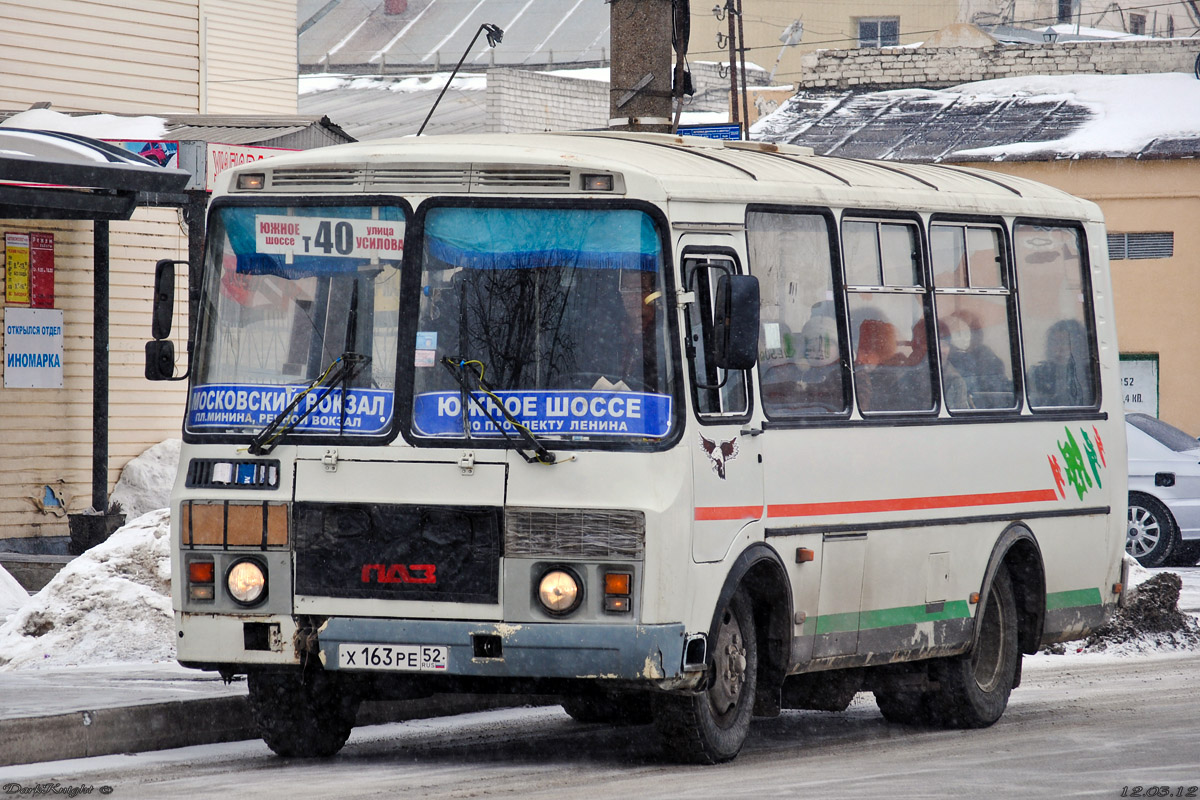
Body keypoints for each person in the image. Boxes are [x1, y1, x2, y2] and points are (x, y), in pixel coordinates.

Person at [1029, 319, 1091, 407]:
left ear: (1079, 345)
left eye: (1065, 343)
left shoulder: (1091, 373)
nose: (1059, 349)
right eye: (1055, 343)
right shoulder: (1039, 374)